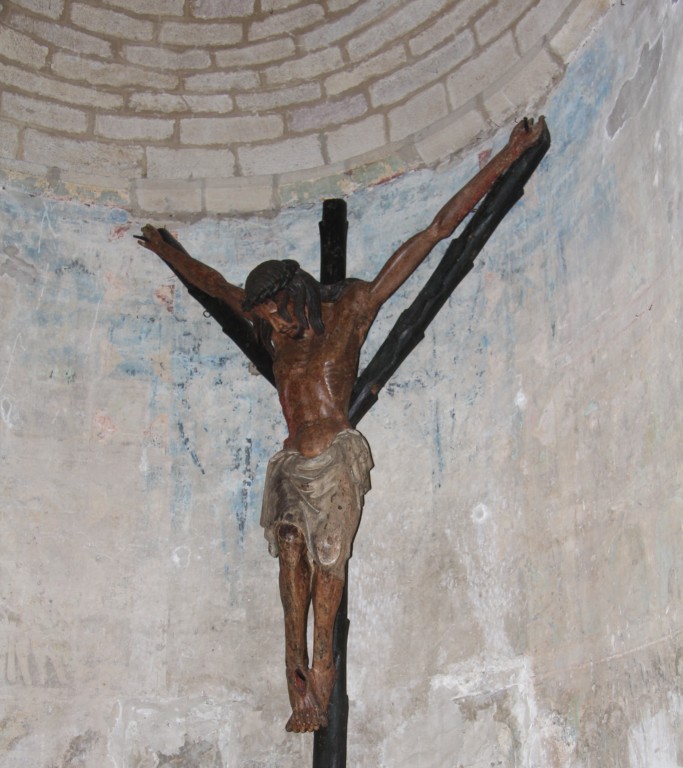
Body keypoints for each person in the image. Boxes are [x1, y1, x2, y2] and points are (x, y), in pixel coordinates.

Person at [138, 117, 546, 733]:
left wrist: (505, 157)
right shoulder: (275, 340)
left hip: (335, 458)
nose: (274, 325)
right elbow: (216, 286)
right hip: (291, 465)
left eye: (279, 311)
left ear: (298, 291)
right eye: (267, 318)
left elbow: (433, 232)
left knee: (328, 572)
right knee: (289, 560)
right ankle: (293, 670)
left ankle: (322, 669)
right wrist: (171, 252)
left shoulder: (353, 307)